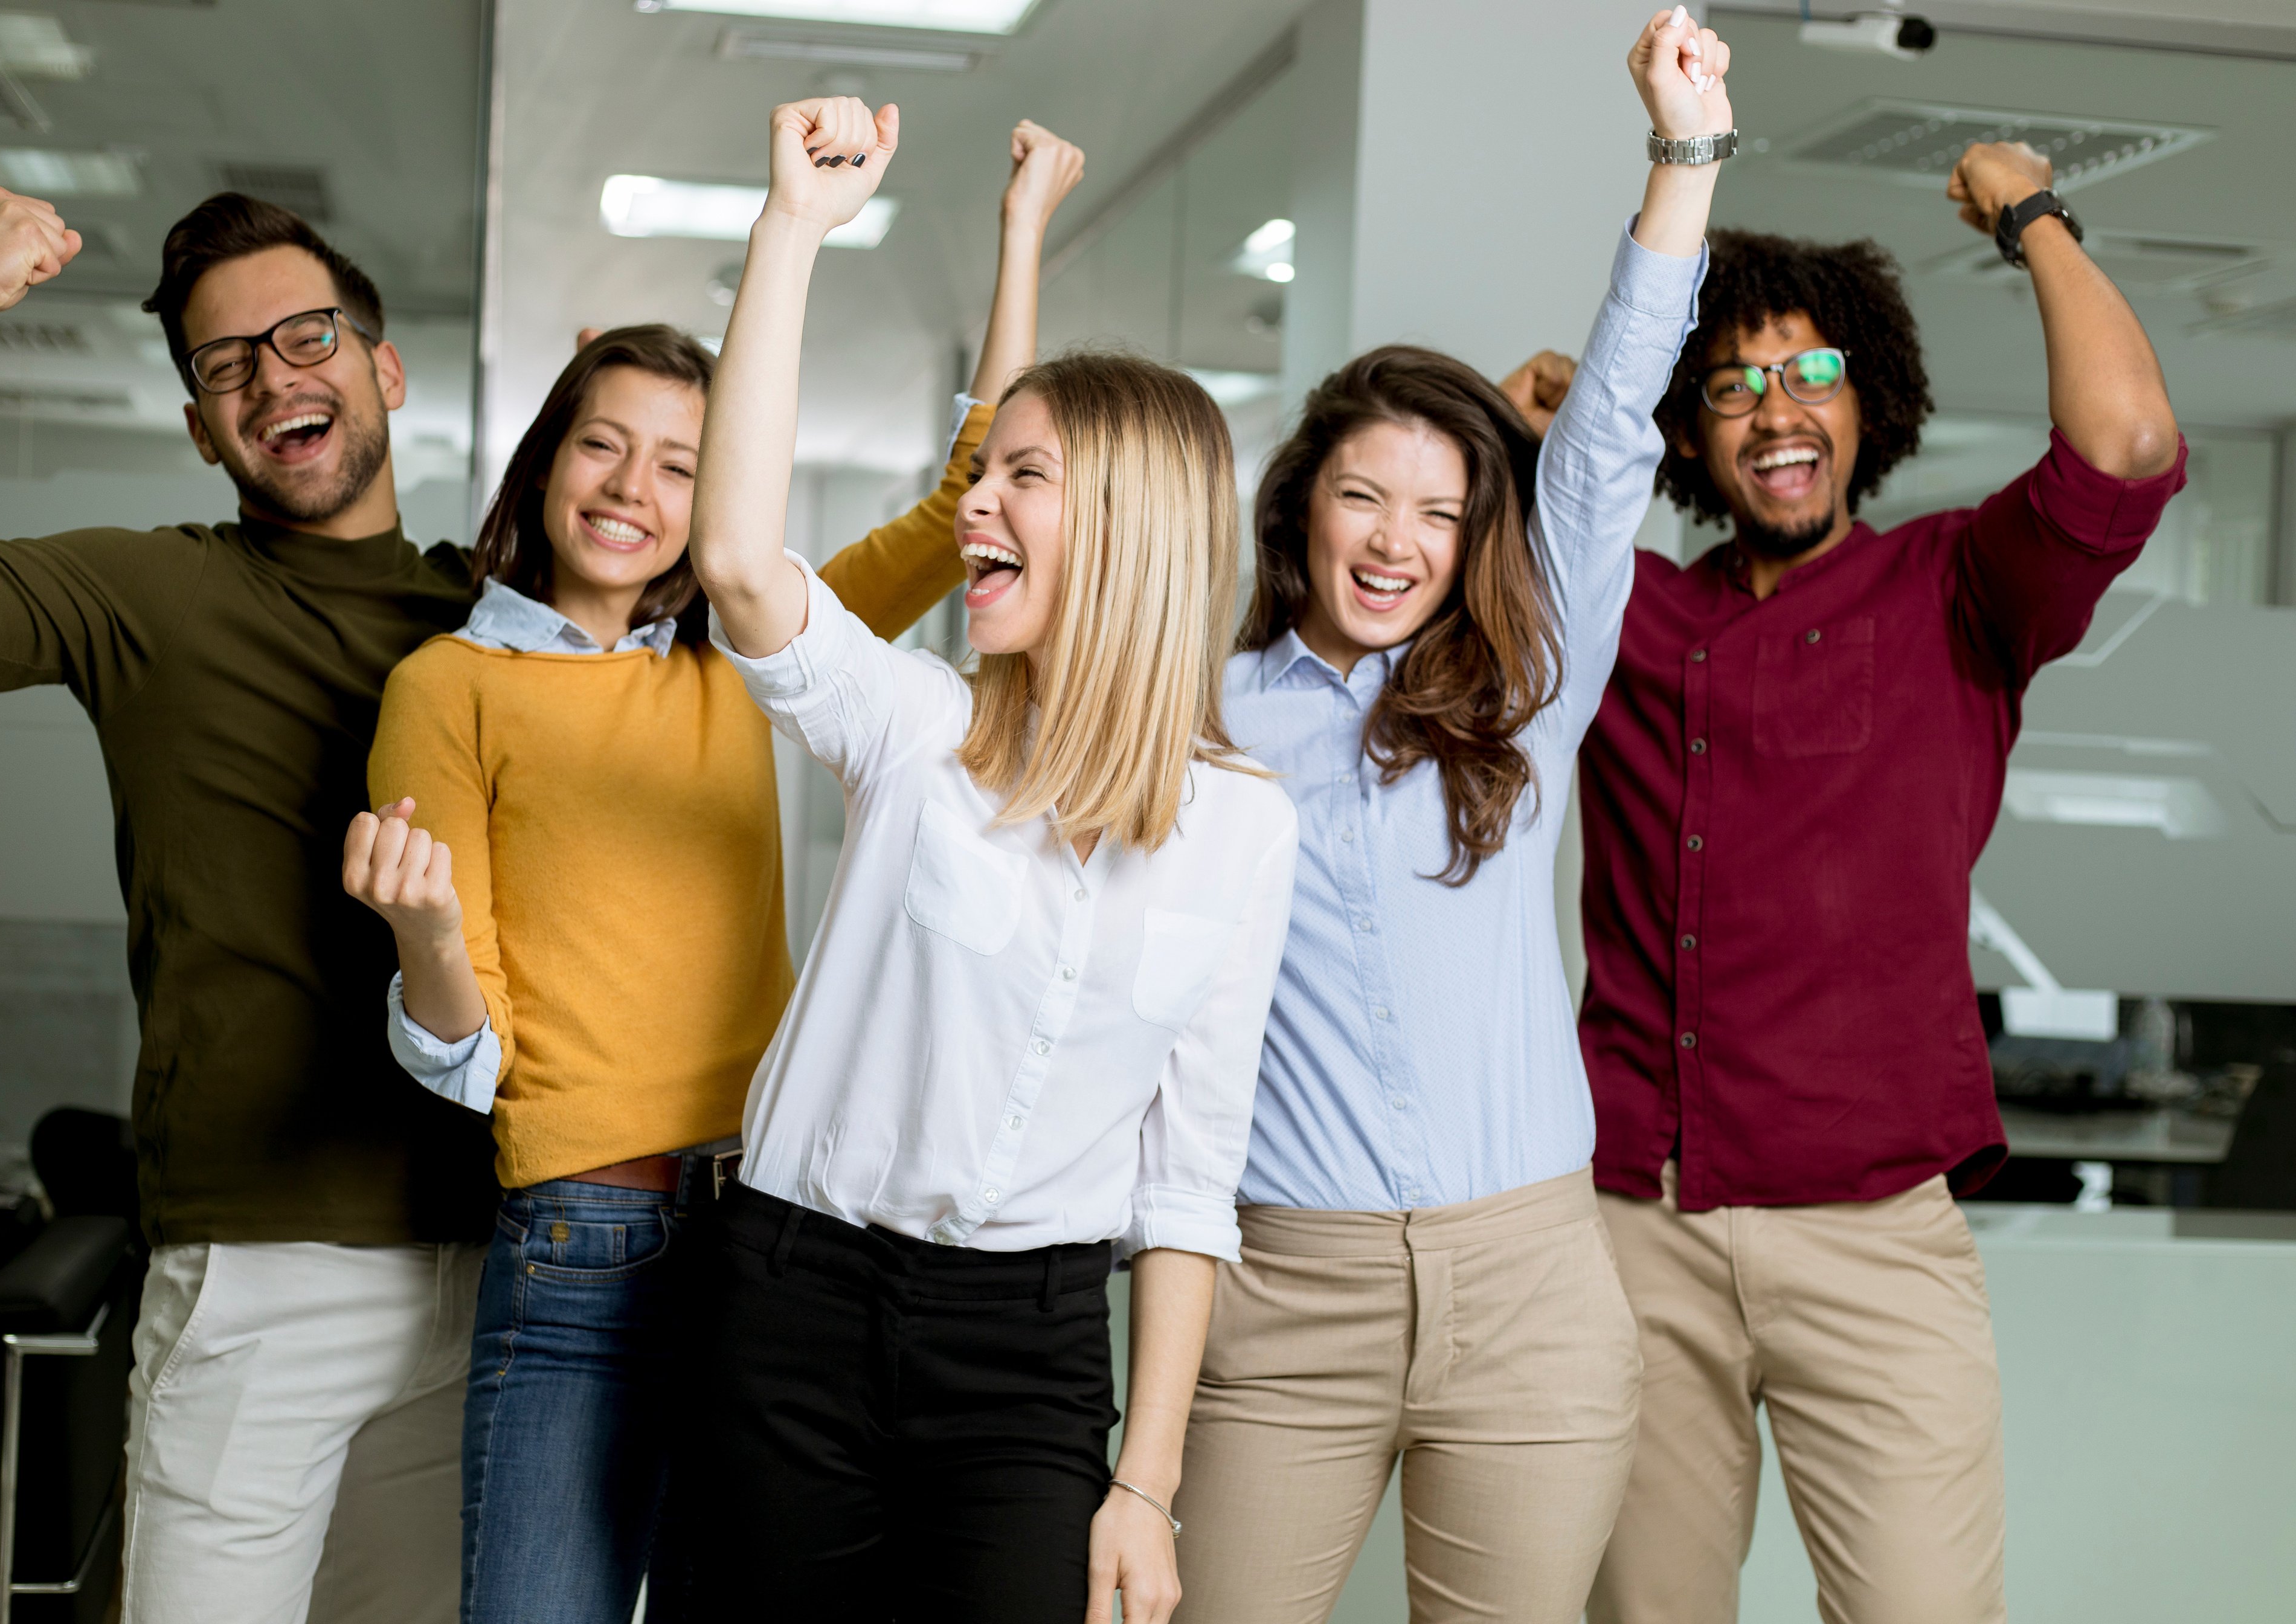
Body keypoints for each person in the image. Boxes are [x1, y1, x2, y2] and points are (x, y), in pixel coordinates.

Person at [336, 121, 1087, 1624]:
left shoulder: (745, 658)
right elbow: (458, 1059)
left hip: (770, 1245)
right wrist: (422, 929)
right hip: (582, 1245)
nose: (634, 488)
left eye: (684, 462)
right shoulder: (451, 686)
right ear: (548, 457)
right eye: (603, 443)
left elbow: (962, 514)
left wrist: (1018, 238)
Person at [677, 96, 1299, 1624]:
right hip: (793, 1301)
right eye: (983, 470)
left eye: (1026, 476)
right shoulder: (917, 729)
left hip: (1025, 1348)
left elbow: (1189, 1185)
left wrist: (1144, 1487)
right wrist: (791, 233)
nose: (977, 505)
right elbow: (744, 564)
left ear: (1134, 528)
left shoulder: (1245, 826)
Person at [0, 188, 502, 1622]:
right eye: (227, 366)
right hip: (258, 1275)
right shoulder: (149, 594)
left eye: (308, 334)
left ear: (381, 371)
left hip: (486, 1274)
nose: (276, 373)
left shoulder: (491, 621)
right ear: (207, 428)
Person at [1571, 141, 2186, 1622]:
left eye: (1811, 372)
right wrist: (1560, 429)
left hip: (1875, 1240)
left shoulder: (1963, 588)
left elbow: (2123, 448)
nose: (1776, 412)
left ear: (1870, 400)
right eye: (1730, 385)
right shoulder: (1621, 612)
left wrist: (2032, 218)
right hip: (1632, 1227)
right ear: (1687, 434)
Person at [1172, 12, 1728, 1623]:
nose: (1398, 540)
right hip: (1287, 1297)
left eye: (1441, 508)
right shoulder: (1206, 718)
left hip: (1535, 1289)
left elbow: (1611, 429)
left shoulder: (1529, 684)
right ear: (1303, 510)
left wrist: (1681, 157)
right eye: (1363, 496)